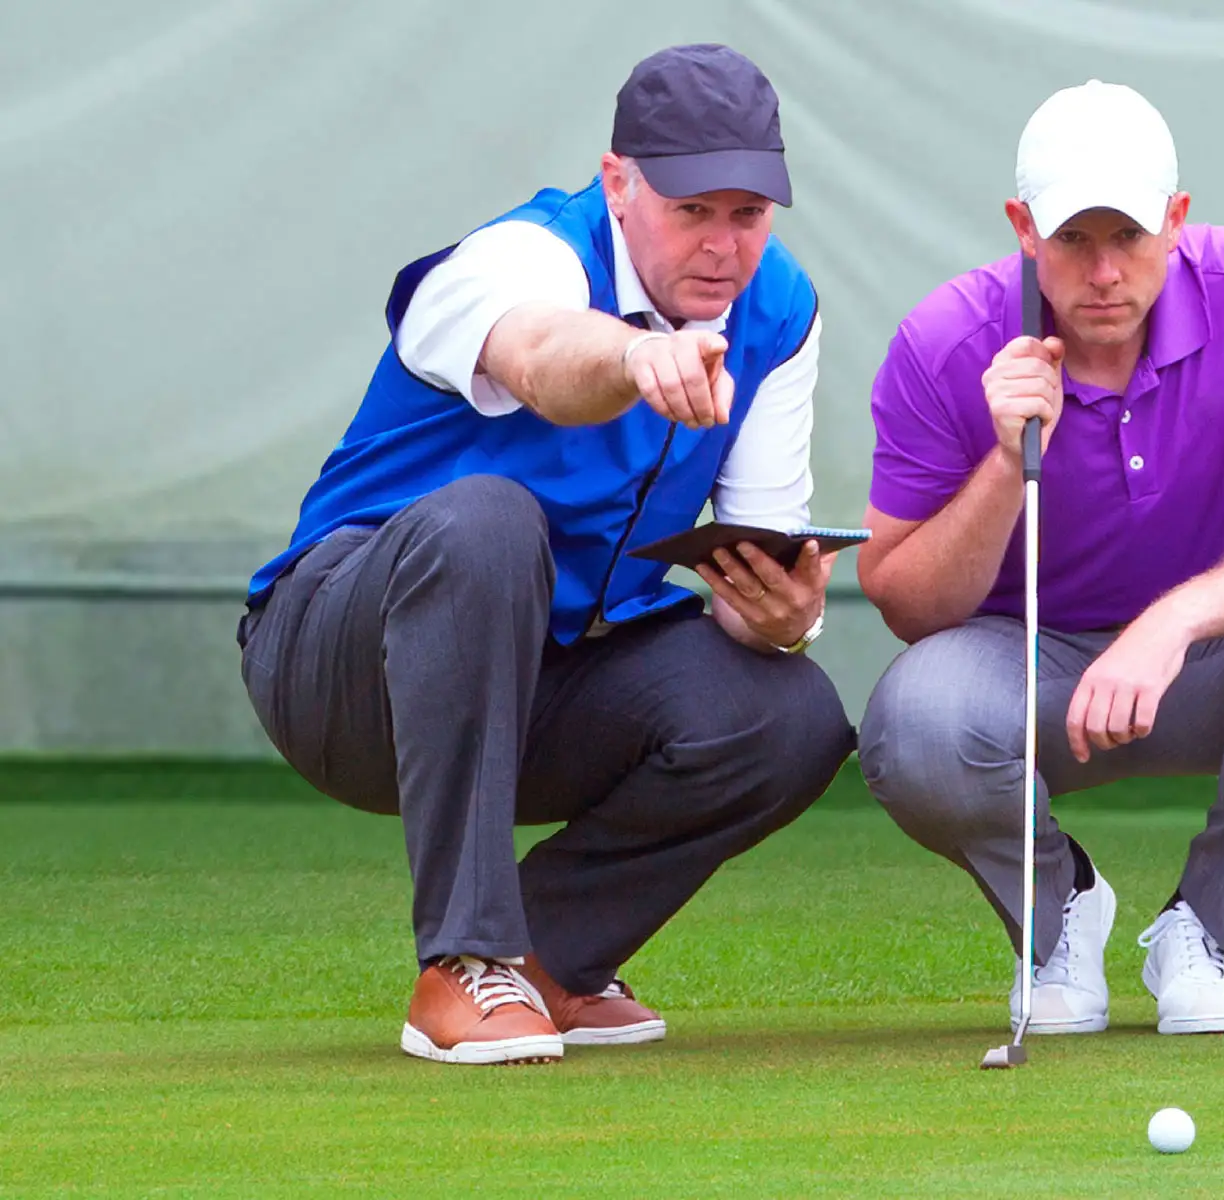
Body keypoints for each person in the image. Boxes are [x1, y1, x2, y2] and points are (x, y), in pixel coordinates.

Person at [237, 44, 855, 1066]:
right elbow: (541, 359)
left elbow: (754, 550)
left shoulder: (780, 314)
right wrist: (630, 353)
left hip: (542, 671)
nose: (723, 246)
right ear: (619, 183)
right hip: (336, 666)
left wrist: (779, 613)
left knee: (789, 714)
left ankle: (545, 961)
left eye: (748, 213)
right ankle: (464, 962)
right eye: (691, 209)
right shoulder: (518, 258)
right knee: (488, 518)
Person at [856, 80, 1224, 1037]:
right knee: (915, 723)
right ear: (1023, 228)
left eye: (1131, 236)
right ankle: (1059, 912)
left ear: (1178, 219)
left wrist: (1170, 621)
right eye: (1074, 239)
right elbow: (906, 603)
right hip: (1023, 668)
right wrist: (1004, 458)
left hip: (1203, 659)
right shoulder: (943, 337)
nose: (1105, 271)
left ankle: (1207, 927)